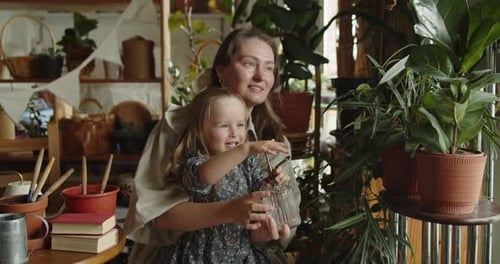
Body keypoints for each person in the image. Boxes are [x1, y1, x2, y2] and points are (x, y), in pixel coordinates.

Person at [124, 27, 301, 263]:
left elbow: (266, 232)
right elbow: (157, 216)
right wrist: (230, 210)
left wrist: (266, 231)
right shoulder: (178, 126)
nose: (261, 76)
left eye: (269, 68)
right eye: (249, 64)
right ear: (221, 71)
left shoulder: (274, 142)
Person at [150, 88, 291, 263]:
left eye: (240, 124)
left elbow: (260, 192)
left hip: (240, 253)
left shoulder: (248, 163)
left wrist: (272, 182)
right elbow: (204, 178)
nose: (234, 133)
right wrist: (245, 149)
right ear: (201, 130)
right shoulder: (196, 162)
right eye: (224, 125)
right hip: (201, 255)